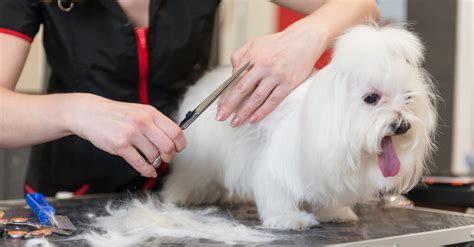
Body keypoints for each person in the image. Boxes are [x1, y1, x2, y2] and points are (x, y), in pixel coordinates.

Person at [0, 0, 379, 196]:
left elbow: (363, 8)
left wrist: (307, 37)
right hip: (73, 196)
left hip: (193, 189)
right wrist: (76, 111)